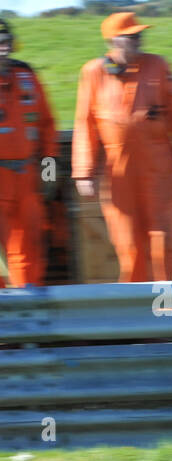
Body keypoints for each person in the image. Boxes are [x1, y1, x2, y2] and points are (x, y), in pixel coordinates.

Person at [72, 12, 172, 284]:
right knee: (127, 242)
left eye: (139, 34)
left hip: (159, 167)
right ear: (113, 40)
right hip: (117, 171)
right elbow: (84, 123)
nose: (138, 39)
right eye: (130, 36)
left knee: (164, 238)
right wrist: (83, 171)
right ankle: (136, 308)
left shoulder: (159, 66)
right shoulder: (93, 72)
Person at [0, 18, 57, 288]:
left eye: (5, 42)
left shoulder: (26, 75)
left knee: (30, 250)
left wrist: (48, 172)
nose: (3, 48)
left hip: (28, 176)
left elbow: (47, 124)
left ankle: (29, 316)